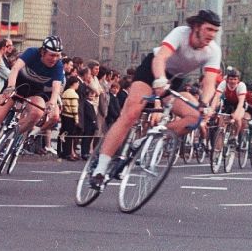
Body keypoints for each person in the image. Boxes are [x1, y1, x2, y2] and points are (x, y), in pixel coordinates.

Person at [89, 10, 222, 190]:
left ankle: (144, 141)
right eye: (209, 29)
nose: (212, 35)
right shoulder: (181, 33)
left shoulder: (213, 50)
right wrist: (159, 79)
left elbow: (209, 82)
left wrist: (205, 104)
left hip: (174, 80)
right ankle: (100, 168)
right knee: (131, 114)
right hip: (152, 71)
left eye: (215, 31)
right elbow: (161, 57)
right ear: (197, 27)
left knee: (194, 118)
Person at [0, 36, 66, 174]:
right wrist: (11, 86)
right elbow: (16, 69)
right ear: (43, 52)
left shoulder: (58, 65)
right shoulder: (32, 52)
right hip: (17, 85)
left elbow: (56, 87)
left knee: (37, 113)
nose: (54, 59)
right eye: (51, 55)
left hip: (34, 92)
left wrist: (52, 103)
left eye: (57, 55)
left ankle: (11, 138)